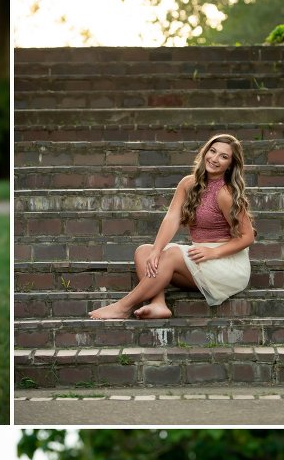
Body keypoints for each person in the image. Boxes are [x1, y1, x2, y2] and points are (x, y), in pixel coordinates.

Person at [89, 133, 255, 320]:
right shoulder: (188, 183)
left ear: (230, 164)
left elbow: (248, 236)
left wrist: (213, 253)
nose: (214, 159)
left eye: (223, 156)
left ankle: (123, 307)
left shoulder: (226, 193)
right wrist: (156, 250)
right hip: (200, 259)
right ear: (205, 152)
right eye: (213, 151)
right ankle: (158, 304)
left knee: (173, 253)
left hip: (226, 264)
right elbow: (172, 218)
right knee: (145, 252)